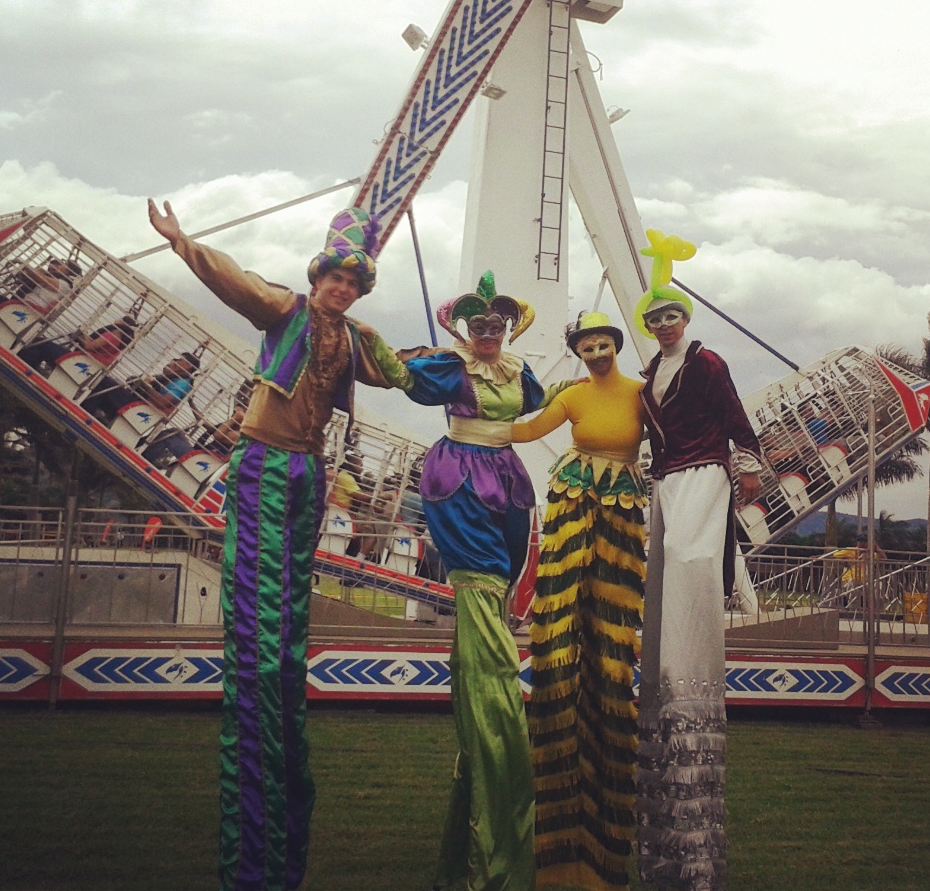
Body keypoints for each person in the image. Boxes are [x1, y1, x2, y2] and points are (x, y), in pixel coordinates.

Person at [146, 196, 405, 891]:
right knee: (260, 635)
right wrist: (181, 242)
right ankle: (254, 835)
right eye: (335, 278)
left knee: (288, 625)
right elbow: (233, 280)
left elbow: (399, 371)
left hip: (309, 470)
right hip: (264, 458)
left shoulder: (355, 339)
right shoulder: (286, 309)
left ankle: (281, 830)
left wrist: (467, 359)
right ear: (318, 277)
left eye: (352, 283)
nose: (341, 288)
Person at [390, 271, 573, 891]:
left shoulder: (518, 372)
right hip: (462, 477)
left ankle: (486, 785)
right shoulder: (453, 368)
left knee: (501, 584)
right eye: (479, 325)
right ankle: (496, 743)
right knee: (481, 587)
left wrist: (592, 387)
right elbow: (404, 377)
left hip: (508, 478)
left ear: (507, 329)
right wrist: (381, 352)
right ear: (465, 329)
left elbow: (542, 400)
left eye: (496, 325)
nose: (488, 333)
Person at [633, 232, 762, 891]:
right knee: (663, 584)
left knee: (690, 566)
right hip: (664, 482)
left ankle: (691, 681)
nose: (664, 324)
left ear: (685, 318)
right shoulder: (647, 378)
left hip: (705, 474)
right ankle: (664, 687)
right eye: (654, 317)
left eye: (671, 315)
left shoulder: (706, 363)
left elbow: (736, 418)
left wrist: (749, 465)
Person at [510, 311, 648, 890]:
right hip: (573, 503)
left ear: (616, 345)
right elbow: (526, 431)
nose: (596, 353)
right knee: (564, 625)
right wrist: (474, 414)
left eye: (602, 344)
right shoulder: (571, 395)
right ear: (580, 352)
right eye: (587, 347)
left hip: (620, 510)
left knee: (610, 634)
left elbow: (679, 434)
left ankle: (606, 810)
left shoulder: (641, 393)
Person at [82, 350, 200, 422]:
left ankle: (84, 412)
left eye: (180, 360)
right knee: (110, 388)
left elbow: (162, 402)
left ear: (187, 365)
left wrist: (144, 385)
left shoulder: (182, 384)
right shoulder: (173, 378)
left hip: (141, 409)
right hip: (140, 405)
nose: (176, 362)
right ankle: (91, 412)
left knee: (105, 382)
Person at [18, 313, 138, 373]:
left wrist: (82, 334)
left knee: (41, 343)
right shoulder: (121, 343)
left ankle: (24, 366)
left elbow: (89, 346)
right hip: (89, 364)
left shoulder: (113, 336)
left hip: (81, 360)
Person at [0, 257, 82, 317]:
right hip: (21, 307)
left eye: (63, 264)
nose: (59, 265)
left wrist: (22, 263)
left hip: (22, 310)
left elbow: (41, 279)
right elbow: (32, 276)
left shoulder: (65, 285)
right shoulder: (58, 281)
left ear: (69, 271)